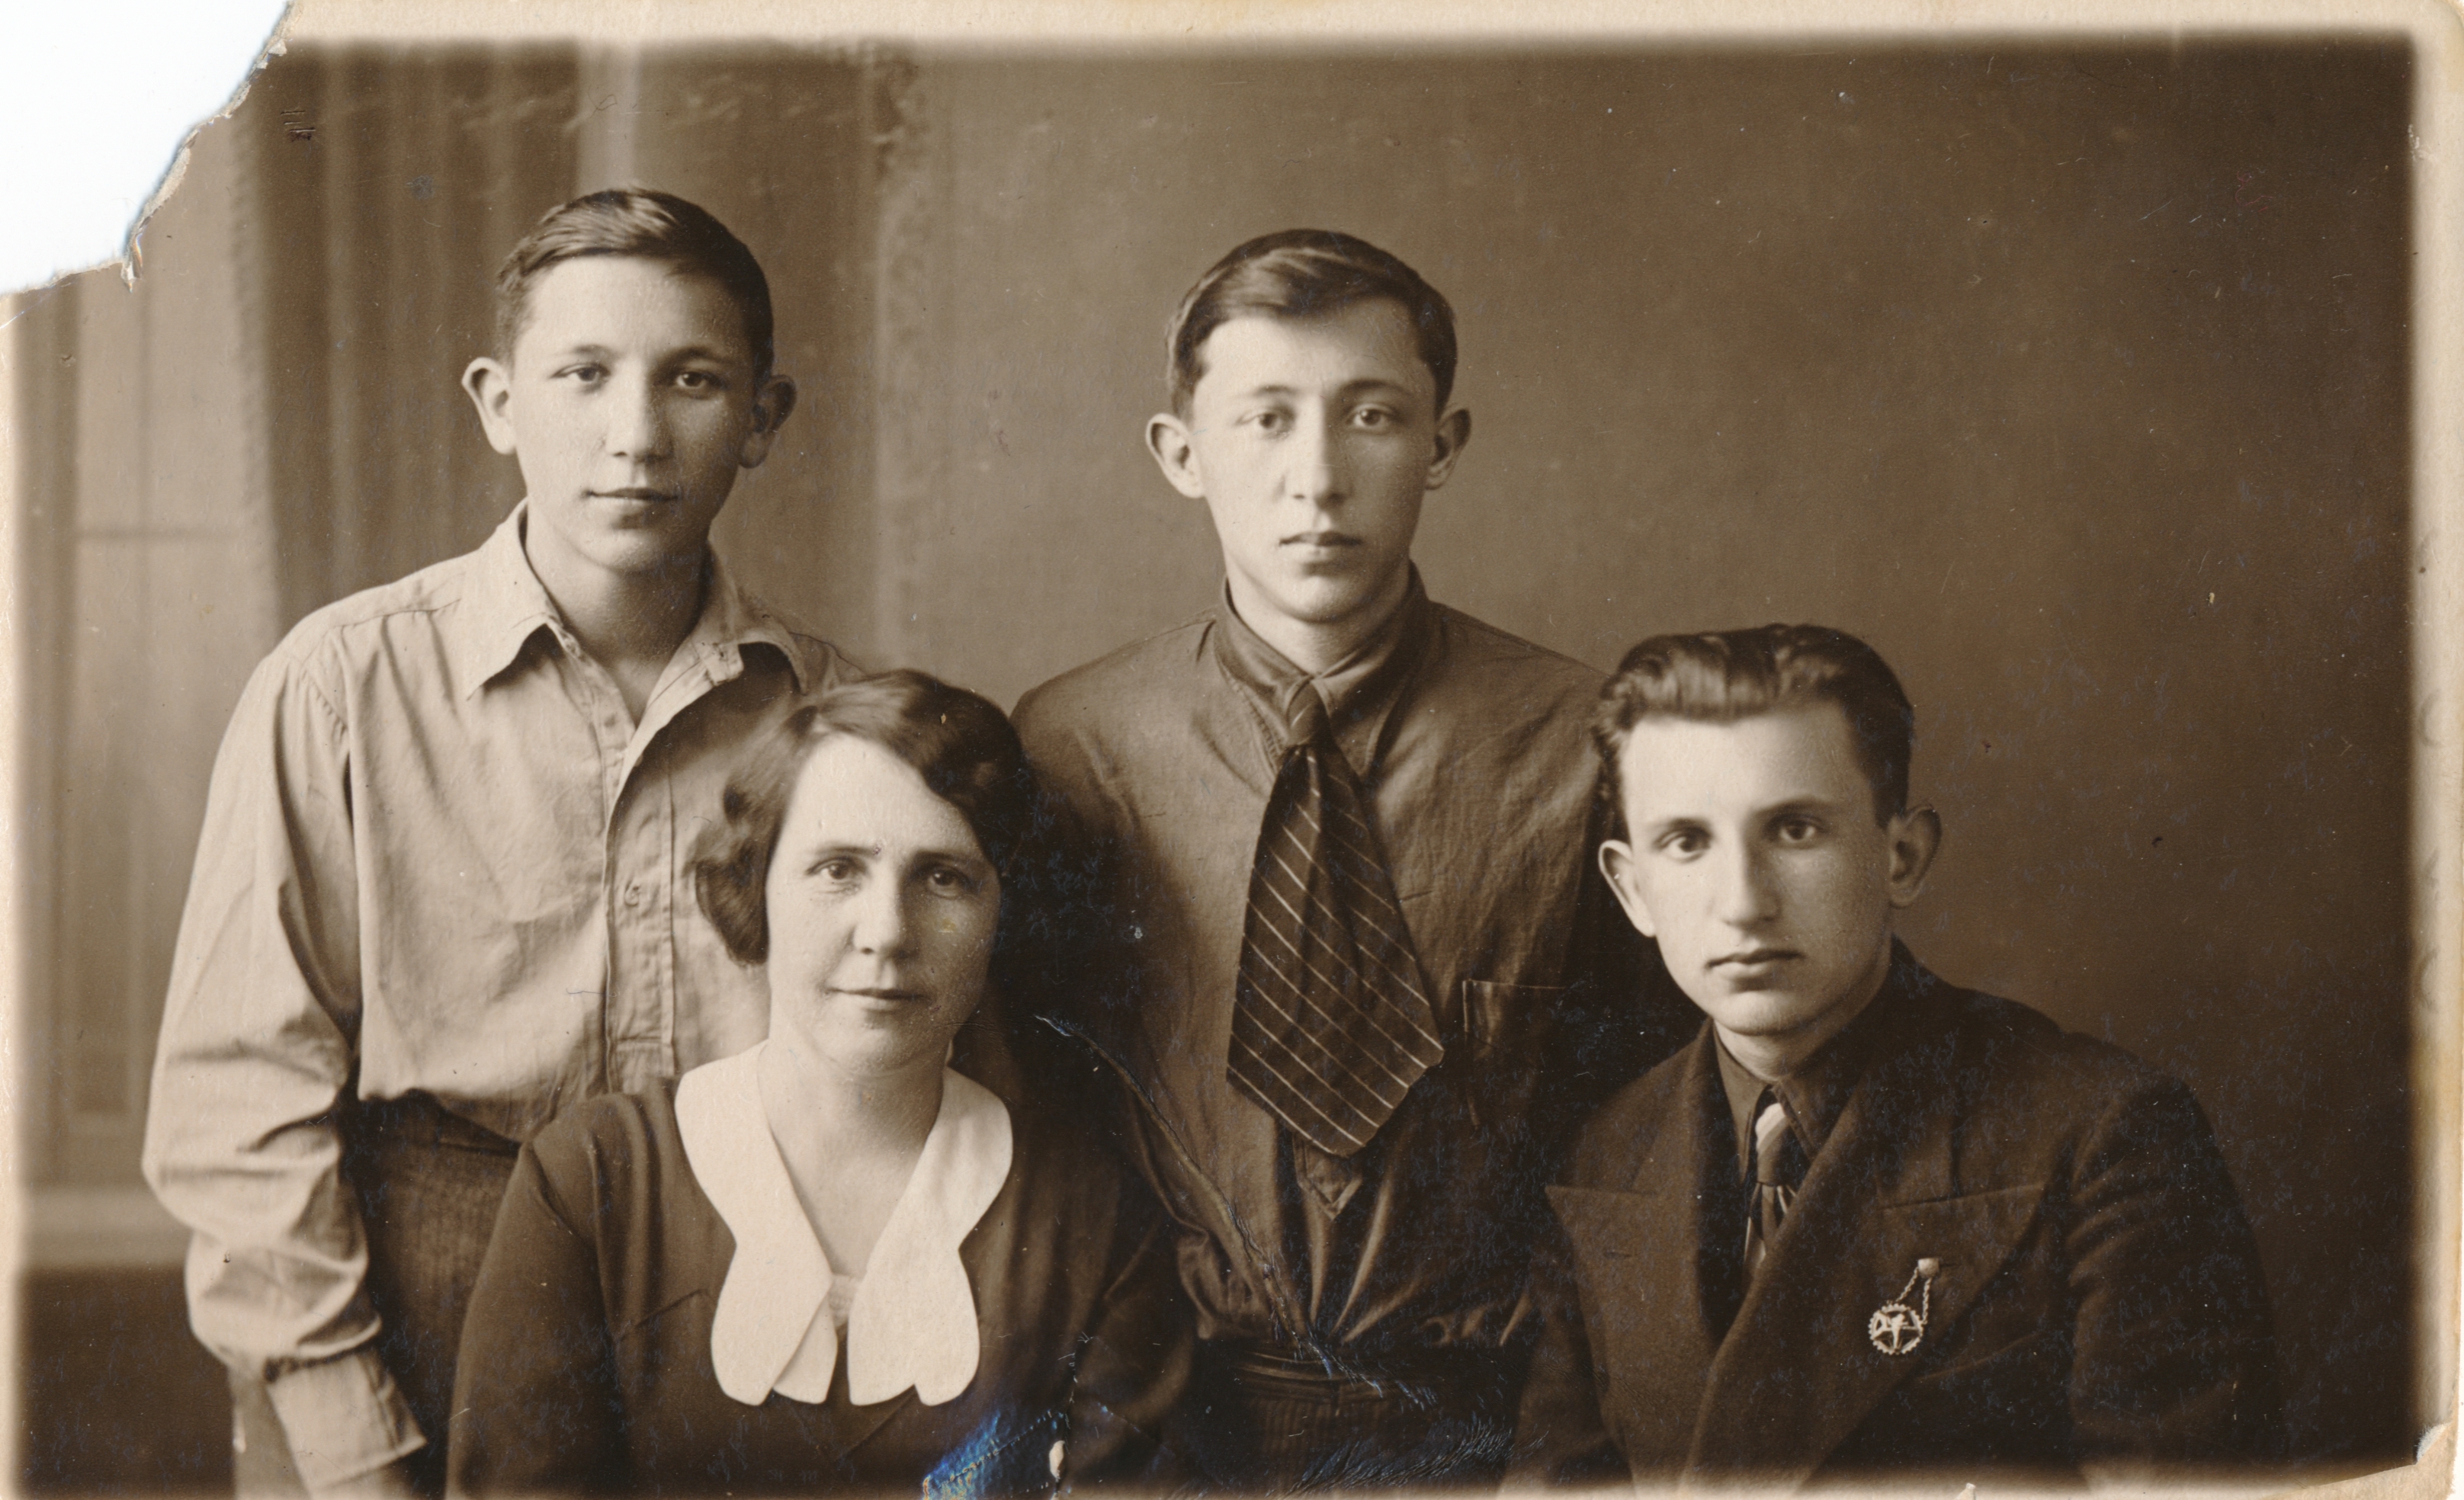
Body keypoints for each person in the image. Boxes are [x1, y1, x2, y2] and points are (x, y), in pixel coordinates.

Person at [142, 188, 856, 1496]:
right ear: (498, 402)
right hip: (408, 1307)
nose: (635, 435)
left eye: (693, 379)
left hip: (732, 1308)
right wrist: (354, 1447)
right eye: (583, 374)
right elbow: (240, 1100)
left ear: (762, 418)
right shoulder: (343, 685)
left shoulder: (831, 717)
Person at [1010, 229, 1689, 1489]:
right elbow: (1031, 1109)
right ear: (1181, 453)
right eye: (1264, 419)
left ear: (1443, 444)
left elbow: (1662, 1116)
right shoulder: (1072, 747)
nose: (1316, 478)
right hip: (1169, 1425)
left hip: (1494, 1429)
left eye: (1371, 416)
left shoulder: (1582, 741)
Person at [1509, 624, 2283, 1488]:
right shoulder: (1604, 1158)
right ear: (1631, 889)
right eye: (1687, 842)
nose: (1742, 903)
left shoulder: (2101, 1137)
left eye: (1794, 830)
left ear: (1902, 857)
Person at [444, 671, 1192, 1495]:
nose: (887, 933)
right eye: (838, 869)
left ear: (1001, 914)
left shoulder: (1094, 1219)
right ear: (754, 889)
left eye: (944, 877)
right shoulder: (592, 1182)